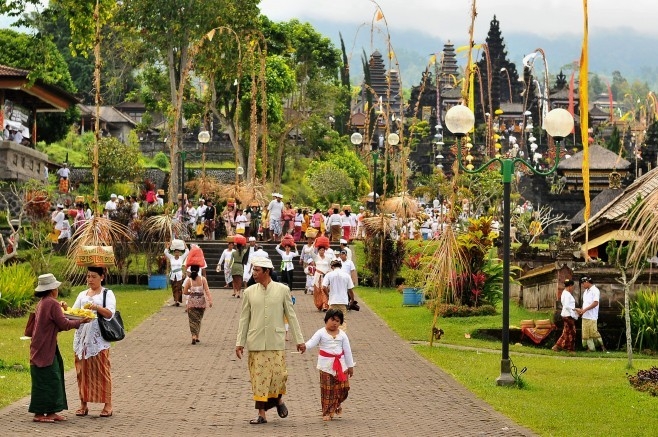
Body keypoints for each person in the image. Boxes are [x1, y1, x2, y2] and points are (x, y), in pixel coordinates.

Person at [235, 257, 306, 425]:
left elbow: (291, 316)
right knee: (259, 379)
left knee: (278, 377)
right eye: (253, 270)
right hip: (256, 342)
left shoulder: (282, 290)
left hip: (276, 340)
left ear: (267, 272)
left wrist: (299, 340)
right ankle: (262, 415)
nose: (254, 273)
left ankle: (278, 400)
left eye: (257, 270)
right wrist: (240, 342)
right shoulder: (249, 292)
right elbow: (244, 319)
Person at [27, 274, 91, 423]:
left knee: (52, 377)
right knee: (48, 379)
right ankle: (40, 414)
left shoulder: (43, 302)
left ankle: (51, 412)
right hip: (44, 348)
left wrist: (63, 310)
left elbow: (55, 323)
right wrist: (82, 321)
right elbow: (64, 324)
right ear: (52, 289)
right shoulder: (51, 303)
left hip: (42, 346)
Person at [69, 266, 116, 417]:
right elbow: (73, 313)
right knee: (81, 371)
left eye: (94, 276)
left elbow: (110, 313)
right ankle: (83, 404)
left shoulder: (107, 293)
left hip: (98, 339)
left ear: (102, 277)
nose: (90, 279)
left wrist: (96, 307)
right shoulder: (82, 294)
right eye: (88, 276)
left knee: (102, 370)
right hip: (82, 338)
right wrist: (65, 309)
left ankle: (107, 405)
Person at [304, 309, 354, 421]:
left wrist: (350, 366)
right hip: (325, 366)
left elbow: (348, 351)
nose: (334, 323)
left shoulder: (342, 335)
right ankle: (326, 412)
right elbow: (311, 342)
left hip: (341, 366)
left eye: (337, 321)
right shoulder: (321, 332)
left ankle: (336, 404)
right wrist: (304, 346)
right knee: (327, 390)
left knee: (343, 388)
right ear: (326, 320)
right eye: (332, 320)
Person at [576, 276, 608, 352]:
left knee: (593, 332)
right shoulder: (586, 292)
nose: (582, 285)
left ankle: (602, 347)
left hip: (592, 316)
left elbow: (595, 303)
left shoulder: (595, 290)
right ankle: (591, 348)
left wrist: (585, 310)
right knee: (586, 333)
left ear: (587, 282)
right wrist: (581, 310)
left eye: (583, 283)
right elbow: (585, 304)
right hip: (585, 315)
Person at [183, 264, 213, 344]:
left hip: (192, 303)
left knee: (192, 320)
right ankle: (197, 336)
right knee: (198, 319)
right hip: (201, 303)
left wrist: (192, 293)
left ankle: (193, 336)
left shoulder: (189, 280)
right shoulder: (203, 279)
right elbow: (207, 291)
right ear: (199, 270)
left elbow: (185, 292)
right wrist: (210, 300)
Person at [322, 259, 354, 330]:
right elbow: (350, 289)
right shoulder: (346, 275)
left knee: (331, 319)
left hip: (333, 301)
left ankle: (332, 335)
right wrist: (352, 299)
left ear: (332, 267)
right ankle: (341, 337)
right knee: (342, 320)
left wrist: (328, 295)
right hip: (343, 301)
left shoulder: (329, 275)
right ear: (340, 266)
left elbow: (324, 287)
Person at [553, 279, 578, 353]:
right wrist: (574, 312)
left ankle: (557, 346)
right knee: (572, 332)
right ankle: (570, 349)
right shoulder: (567, 294)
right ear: (570, 286)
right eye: (572, 286)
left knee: (566, 332)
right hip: (568, 315)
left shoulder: (565, 293)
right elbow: (567, 306)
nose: (573, 288)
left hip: (566, 314)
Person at [164, 240, 189, 306]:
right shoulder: (171, 257)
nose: (177, 253)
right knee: (174, 287)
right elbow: (165, 252)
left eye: (178, 252)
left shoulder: (181, 258)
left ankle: (178, 300)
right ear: (174, 253)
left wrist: (184, 243)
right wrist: (169, 245)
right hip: (173, 275)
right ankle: (175, 301)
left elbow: (187, 251)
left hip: (179, 275)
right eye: (175, 252)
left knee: (179, 288)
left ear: (180, 253)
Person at [311, 245, 334, 311]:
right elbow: (310, 252)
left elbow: (330, 267)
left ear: (325, 251)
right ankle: (319, 305)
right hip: (317, 276)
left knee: (324, 289)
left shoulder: (328, 258)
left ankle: (325, 305)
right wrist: (314, 244)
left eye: (323, 250)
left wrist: (329, 274)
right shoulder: (316, 257)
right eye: (320, 250)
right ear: (318, 251)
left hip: (325, 276)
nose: (321, 251)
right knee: (317, 291)